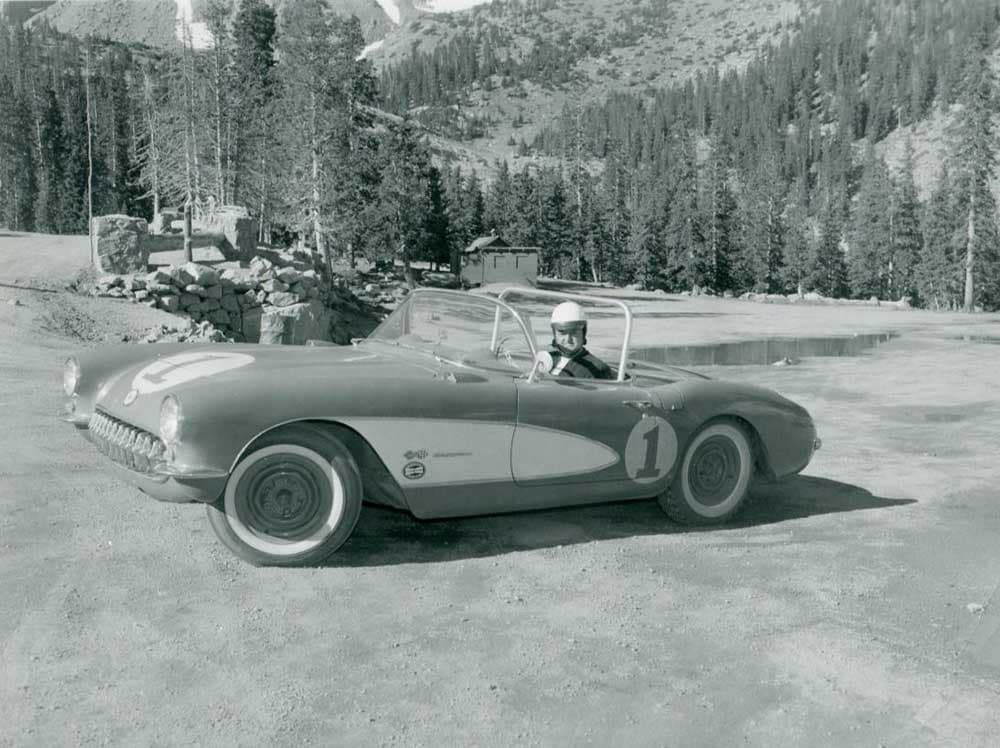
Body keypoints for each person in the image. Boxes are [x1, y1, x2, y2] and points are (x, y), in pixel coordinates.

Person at [547, 301, 614, 379]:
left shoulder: (596, 369)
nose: (568, 339)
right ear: (554, 334)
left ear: (583, 333)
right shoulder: (547, 358)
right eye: (562, 332)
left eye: (574, 332)